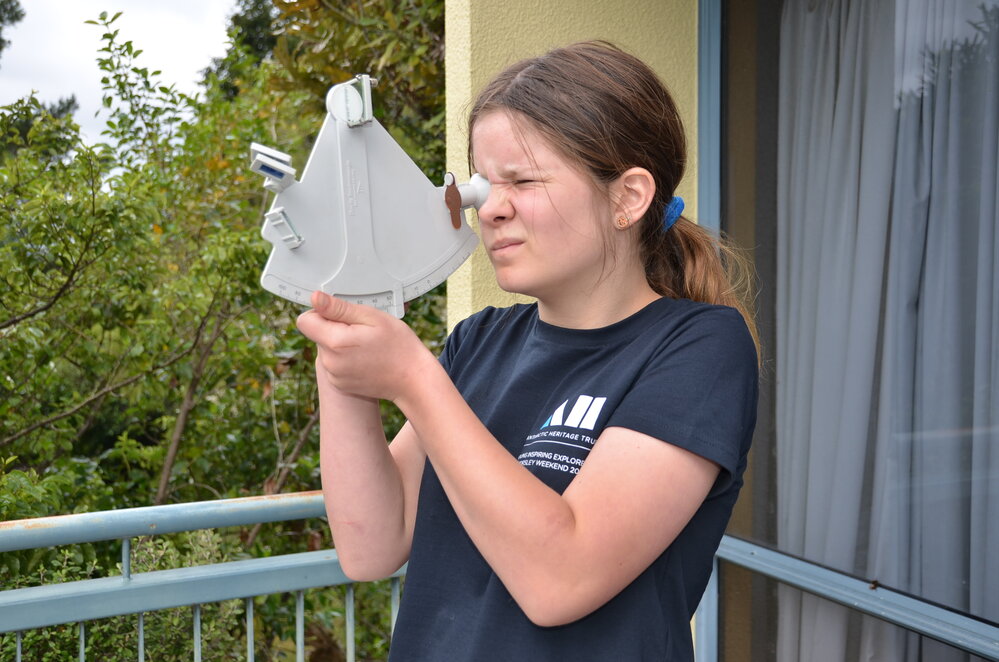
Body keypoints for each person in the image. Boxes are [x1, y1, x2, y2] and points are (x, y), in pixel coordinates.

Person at [296, 40, 759, 662]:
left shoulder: (698, 348)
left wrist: (413, 378)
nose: (491, 208)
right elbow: (372, 546)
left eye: (523, 180)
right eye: (485, 183)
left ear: (627, 198)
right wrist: (341, 347)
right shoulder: (478, 341)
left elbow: (560, 580)